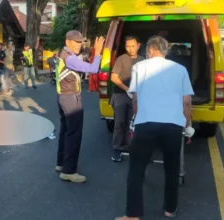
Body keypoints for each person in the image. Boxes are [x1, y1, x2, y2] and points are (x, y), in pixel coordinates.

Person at [115, 36, 194, 220]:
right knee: (172, 167)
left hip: (146, 124)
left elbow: (135, 98)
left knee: (136, 168)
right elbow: (186, 102)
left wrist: (136, 118)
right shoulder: (180, 70)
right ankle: (170, 209)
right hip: (173, 125)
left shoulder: (139, 67)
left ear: (149, 51)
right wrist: (187, 126)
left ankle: (133, 215)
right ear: (165, 51)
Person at [55, 30, 105, 183]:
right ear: (68, 41)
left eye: (81, 42)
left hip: (63, 96)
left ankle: (61, 163)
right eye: (76, 42)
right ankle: (69, 171)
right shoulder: (70, 58)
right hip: (70, 98)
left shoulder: (64, 54)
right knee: (74, 134)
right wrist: (98, 53)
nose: (79, 45)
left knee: (66, 131)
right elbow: (93, 69)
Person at [110, 36, 145, 162]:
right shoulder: (121, 59)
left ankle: (130, 147)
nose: (130, 49)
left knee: (132, 123)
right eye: (128, 46)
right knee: (119, 123)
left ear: (138, 46)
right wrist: (127, 89)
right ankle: (117, 149)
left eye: (133, 46)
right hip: (120, 95)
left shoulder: (143, 60)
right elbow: (114, 77)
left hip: (135, 97)